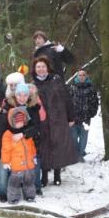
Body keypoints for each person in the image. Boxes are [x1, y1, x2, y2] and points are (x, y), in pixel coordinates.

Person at [32, 56, 78, 186]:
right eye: (38, 67)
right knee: (44, 148)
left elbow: (67, 98)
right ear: (35, 69)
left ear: (47, 68)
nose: (41, 69)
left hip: (58, 119)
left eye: (43, 66)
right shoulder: (33, 84)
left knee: (58, 146)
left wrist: (71, 117)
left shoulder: (56, 80)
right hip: (43, 121)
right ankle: (44, 176)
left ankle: (57, 175)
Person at [1, 107, 37, 204]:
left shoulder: (26, 133)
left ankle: (30, 196)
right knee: (14, 183)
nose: (20, 124)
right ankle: (13, 198)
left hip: (28, 164)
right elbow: (5, 149)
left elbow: (31, 145)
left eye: (21, 122)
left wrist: (34, 156)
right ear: (12, 122)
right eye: (17, 122)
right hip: (16, 165)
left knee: (29, 182)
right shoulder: (8, 134)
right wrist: (6, 161)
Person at [69, 69, 99, 162]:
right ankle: (75, 154)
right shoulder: (72, 87)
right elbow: (67, 103)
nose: (81, 77)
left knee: (83, 139)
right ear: (77, 76)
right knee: (73, 138)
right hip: (73, 119)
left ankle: (80, 155)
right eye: (80, 75)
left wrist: (91, 113)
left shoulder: (91, 88)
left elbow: (95, 103)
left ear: (86, 76)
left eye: (83, 75)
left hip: (86, 120)